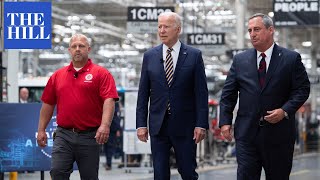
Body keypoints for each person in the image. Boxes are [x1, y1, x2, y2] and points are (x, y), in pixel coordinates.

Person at [219, 13, 310, 180]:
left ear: (271, 30)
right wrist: (225, 122)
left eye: (257, 29)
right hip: (247, 135)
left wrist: (284, 111)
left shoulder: (291, 59)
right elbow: (228, 94)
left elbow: (302, 89)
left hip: (279, 136)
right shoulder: (240, 60)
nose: (252, 34)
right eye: (250, 30)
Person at [136, 12, 209, 180]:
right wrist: (141, 124)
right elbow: (143, 93)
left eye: (166, 26)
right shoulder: (150, 56)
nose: (161, 30)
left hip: (185, 125)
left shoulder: (194, 55)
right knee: (160, 174)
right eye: (159, 26)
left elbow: (201, 93)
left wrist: (201, 124)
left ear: (178, 29)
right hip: (158, 125)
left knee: (188, 172)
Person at [36, 33, 119, 180]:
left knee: (89, 177)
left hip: (90, 135)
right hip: (63, 135)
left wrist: (105, 125)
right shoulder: (57, 76)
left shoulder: (101, 74)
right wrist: (41, 129)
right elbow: (48, 103)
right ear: (69, 50)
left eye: (81, 46)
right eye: (74, 46)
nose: (78, 49)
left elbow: (109, 100)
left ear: (88, 49)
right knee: (57, 172)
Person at [104, 101, 122, 170]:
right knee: (108, 146)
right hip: (110, 127)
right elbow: (116, 117)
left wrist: (117, 129)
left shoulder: (112, 102)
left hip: (110, 128)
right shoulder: (115, 103)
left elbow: (116, 116)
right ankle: (108, 163)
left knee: (108, 146)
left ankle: (109, 163)